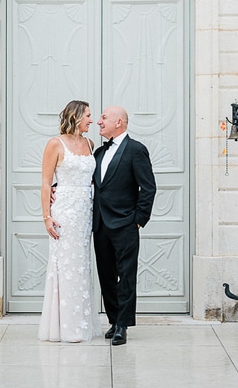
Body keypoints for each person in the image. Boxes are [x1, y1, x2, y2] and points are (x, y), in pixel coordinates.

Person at [93, 105, 156, 346]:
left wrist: (139, 219)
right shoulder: (99, 153)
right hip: (100, 225)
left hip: (126, 225)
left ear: (118, 122)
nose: (99, 121)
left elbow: (148, 187)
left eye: (104, 117)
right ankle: (113, 319)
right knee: (106, 275)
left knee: (126, 276)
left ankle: (123, 325)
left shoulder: (136, 150)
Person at [38, 100, 101, 343]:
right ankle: (64, 327)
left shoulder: (90, 143)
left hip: (86, 211)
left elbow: (93, 179)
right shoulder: (55, 143)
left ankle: (81, 322)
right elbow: (46, 181)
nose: (91, 120)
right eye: (88, 115)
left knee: (82, 265)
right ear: (75, 116)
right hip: (64, 211)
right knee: (64, 265)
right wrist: (47, 216)